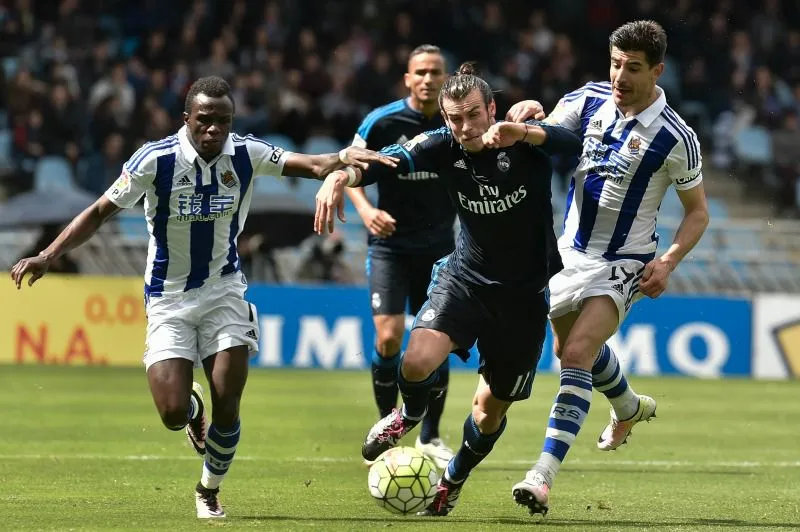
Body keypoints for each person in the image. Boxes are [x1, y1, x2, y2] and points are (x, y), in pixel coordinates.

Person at [9, 76, 396, 519]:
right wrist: (48, 253)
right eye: (205, 120)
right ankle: (191, 411)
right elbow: (100, 210)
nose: (214, 129)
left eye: (223, 122)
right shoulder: (156, 161)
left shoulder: (246, 152)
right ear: (187, 119)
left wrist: (343, 158)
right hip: (168, 298)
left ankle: (208, 489)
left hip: (224, 291)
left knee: (228, 396)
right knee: (172, 413)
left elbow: (309, 165)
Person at [315, 63, 582, 516]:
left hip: (523, 297)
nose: (464, 127)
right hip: (464, 279)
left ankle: (452, 479)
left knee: (488, 412)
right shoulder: (441, 145)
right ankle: (409, 415)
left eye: (474, 115)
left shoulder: (526, 137)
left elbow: (572, 142)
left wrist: (526, 131)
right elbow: (388, 161)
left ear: (491, 108)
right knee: (416, 361)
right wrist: (342, 174)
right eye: (454, 119)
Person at [505, 20, 710, 515]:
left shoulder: (676, 138)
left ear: (657, 71)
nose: (620, 76)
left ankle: (542, 476)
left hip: (625, 262)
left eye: (633, 68)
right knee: (567, 348)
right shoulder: (590, 98)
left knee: (576, 352)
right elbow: (553, 131)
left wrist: (668, 262)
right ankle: (628, 406)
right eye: (616, 63)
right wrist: (532, 118)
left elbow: (698, 212)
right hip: (569, 254)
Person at [345, 44, 457, 468]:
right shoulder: (382, 121)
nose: (429, 79)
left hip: (442, 250)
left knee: (436, 344)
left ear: (445, 79)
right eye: (421, 72)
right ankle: (386, 429)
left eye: (436, 72)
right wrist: (366, 210)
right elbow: (351, 167)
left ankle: (430, 435)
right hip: (391, 247)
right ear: (408, 79)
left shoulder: (456, 122)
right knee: (389, 337)